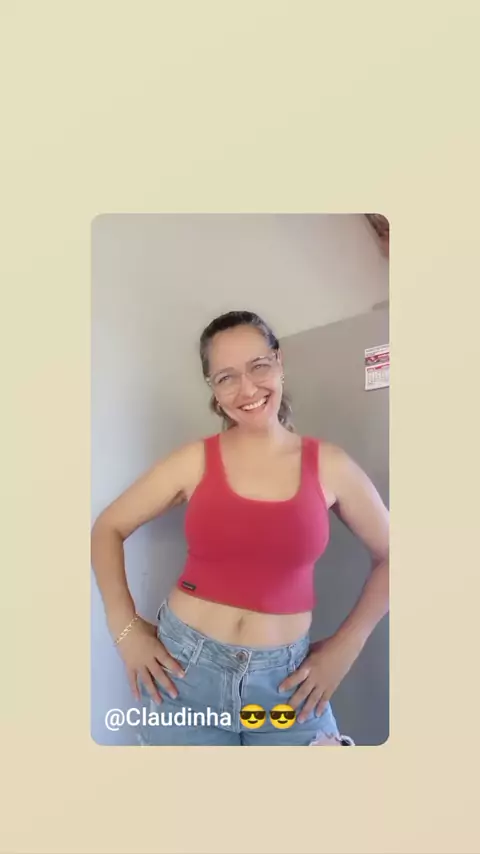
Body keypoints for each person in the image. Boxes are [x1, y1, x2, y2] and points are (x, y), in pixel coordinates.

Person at [91, 310, 389, 745]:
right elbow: (108, 528)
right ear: (213, 389)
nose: (247, 389)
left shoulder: (330, 465)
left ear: (279, 362)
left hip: (286, 688)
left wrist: (347, 647)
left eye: (258, 366)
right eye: (226, 377)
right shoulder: (194, 460)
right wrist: (125, 631)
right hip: (185, 675)